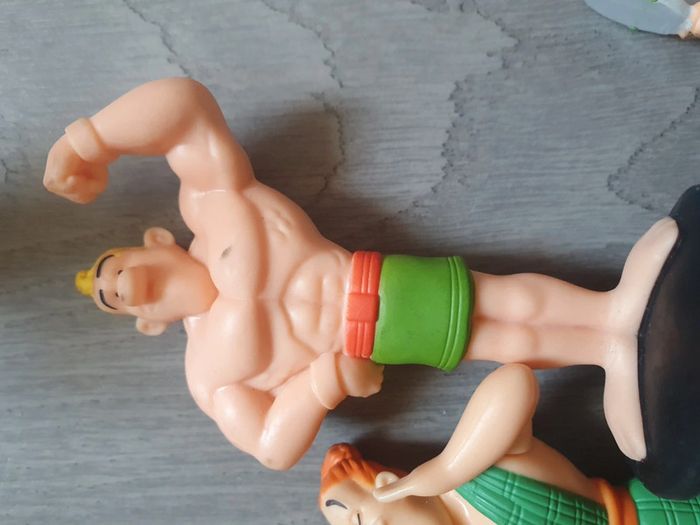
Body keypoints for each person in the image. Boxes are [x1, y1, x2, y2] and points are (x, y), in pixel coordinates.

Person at [43, 78, 698, 482]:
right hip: (366, 337)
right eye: (113, 299)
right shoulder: (208, 371)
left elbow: (185, 109)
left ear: (155, 241)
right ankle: (606, 352)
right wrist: (320, 385)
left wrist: (89, 140)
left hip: (373, 278)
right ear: (147, 323)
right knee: (498, 340)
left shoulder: (214, 206)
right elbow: (270, 446)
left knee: (504, 297)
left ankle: (616, 311)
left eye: (114, 268)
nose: (121, 285)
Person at [319, 365, 700, 525]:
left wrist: (449, 467)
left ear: (388, 485)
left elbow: (514, 380)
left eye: (362, 521)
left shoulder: (480, 473)